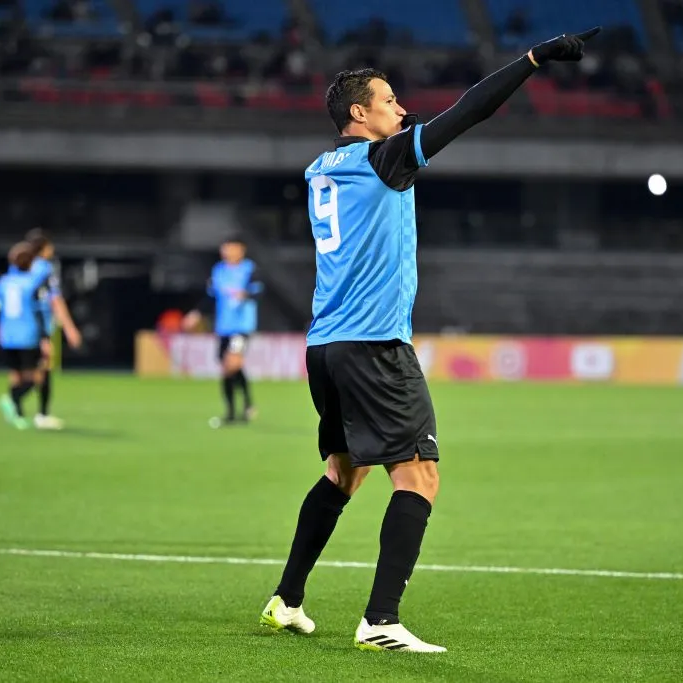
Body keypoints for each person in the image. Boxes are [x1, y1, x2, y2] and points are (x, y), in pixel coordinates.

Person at [258, 27, 601, 653]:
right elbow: (469, 111)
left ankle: (286, 600)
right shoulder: (380, 161)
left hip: (325, 346)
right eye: (390, 102)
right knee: (418, 477)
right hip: (372, 344)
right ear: (359, 114)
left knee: (343, 472)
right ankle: (381, 621)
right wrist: (531, 60)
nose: (403, 110)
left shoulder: (321, 169)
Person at [183, 238, 262, 428]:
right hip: (223, 326)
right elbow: (211, 296)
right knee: (227, 366)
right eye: (225, 248)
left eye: (232, 248)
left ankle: (236, 411)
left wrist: (246, 294)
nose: (227, 251)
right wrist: (197, 313)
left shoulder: (250, 269)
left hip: (242, 326)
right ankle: (241, 408)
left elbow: (259, 289)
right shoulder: (218, 270)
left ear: (241, 249)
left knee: (231, 364)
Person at [0, 243, 51, 430]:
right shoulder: (33, 283)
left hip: (8, 336)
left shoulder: (3, 283)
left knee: (16, 375)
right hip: (28, 335)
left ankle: (18, 415)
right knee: (36, 376)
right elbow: (38, 312)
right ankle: (12, 399)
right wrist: (45, 338)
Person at [24, 229, 83, 430]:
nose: (53, 250)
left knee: (28, 367)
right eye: (50, 246)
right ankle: (34, 410)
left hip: (19, 324)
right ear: (43, 248)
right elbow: (55, 299)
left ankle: (22, 406)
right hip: (40, 324)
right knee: (43, 367)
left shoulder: (23, 267)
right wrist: (70, 328)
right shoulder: (45, 269)